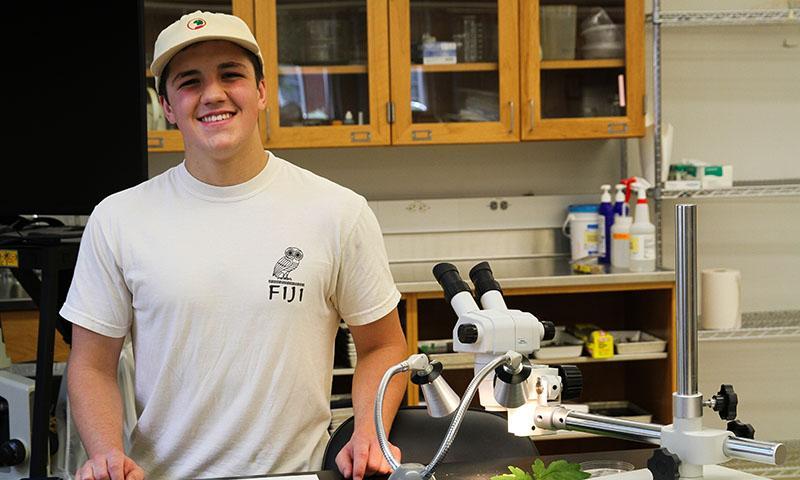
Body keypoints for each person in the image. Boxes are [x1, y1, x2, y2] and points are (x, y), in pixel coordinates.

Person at [62, 10, 408, 480]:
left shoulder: (337, 211)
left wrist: (369, 431)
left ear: (262, 91)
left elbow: (384, 346)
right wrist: (104, 452)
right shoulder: (119, 219)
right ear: (166, 106)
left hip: (298, 475)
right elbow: (91, 364)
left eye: (231, 75)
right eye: (189, 82)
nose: (213, 94)